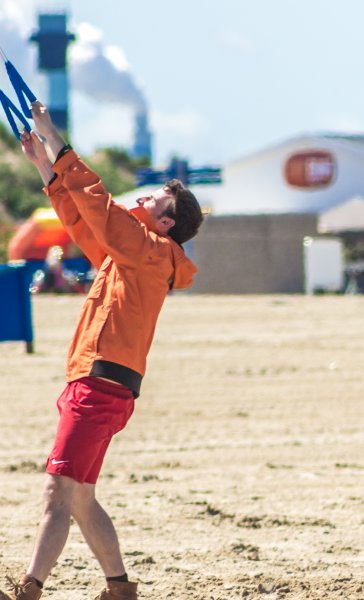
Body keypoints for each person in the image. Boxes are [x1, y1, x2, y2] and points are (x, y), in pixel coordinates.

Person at [3, 101, 203, 600]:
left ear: (166, 224)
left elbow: (99, 203)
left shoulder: (149, 251)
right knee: (82, 498)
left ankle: (30, 589)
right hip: (100, 384)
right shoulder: (133, 253)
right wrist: (45, 168)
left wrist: (53, 135)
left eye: (157, 203)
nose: (147, 203)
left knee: (58, 492)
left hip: (100, 385)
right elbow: (83, 221)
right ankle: (119, 587)